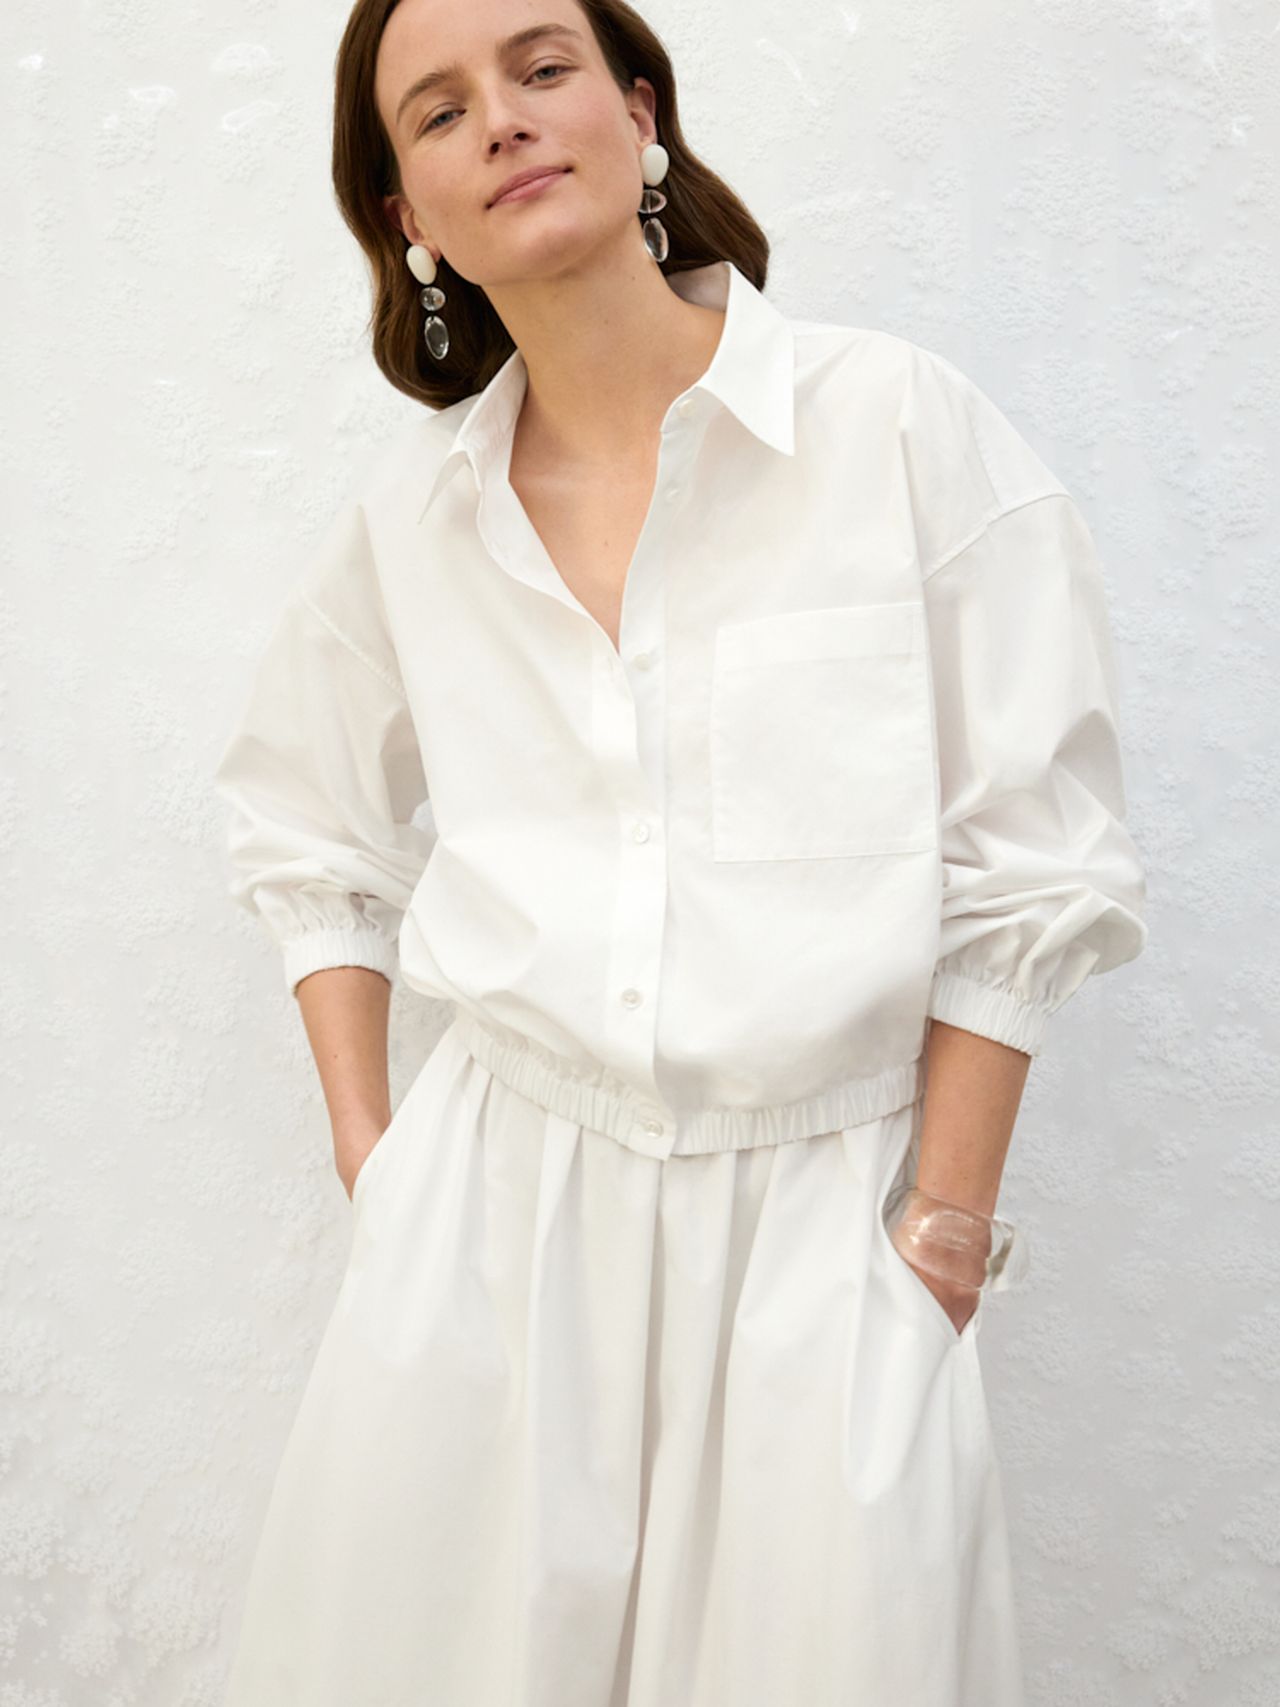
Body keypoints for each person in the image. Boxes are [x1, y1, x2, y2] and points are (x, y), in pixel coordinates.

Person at [210, 0, 1150, 1701]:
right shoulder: (414, 523)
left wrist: (941, 1232)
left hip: (823, 1242)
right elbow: (304, 822)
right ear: (410, 218)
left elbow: (1037, 856)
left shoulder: (898, 432)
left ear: (640, 112)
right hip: (491, 1246)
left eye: (541, 67)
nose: (503, 119)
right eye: (438, 110)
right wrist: (379, 1162)